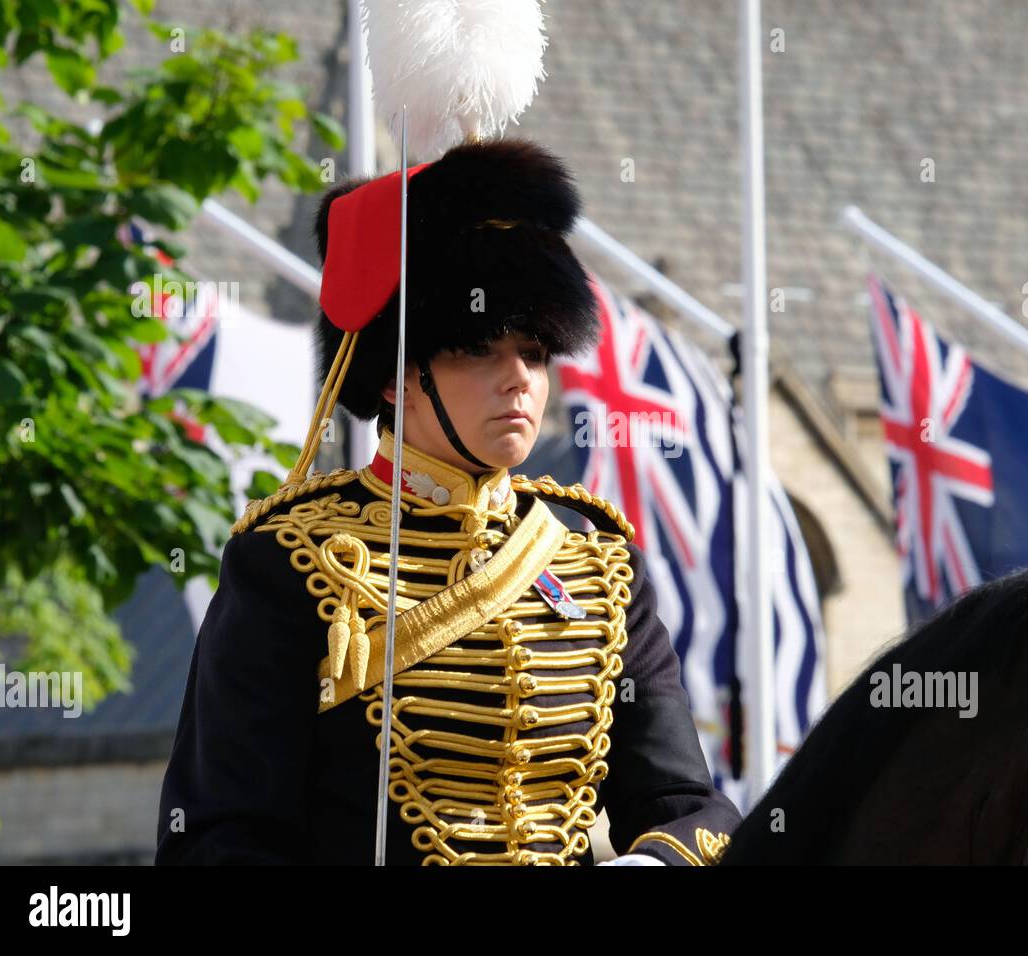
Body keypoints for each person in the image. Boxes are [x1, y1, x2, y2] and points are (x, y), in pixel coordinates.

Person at [155, 137, 742, 865]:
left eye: (533, 351)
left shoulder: (600, 566)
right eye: (478, 350)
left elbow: (692, 808)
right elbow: (218, 838)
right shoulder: (286, 563)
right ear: (395, 379)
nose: (519, 379)